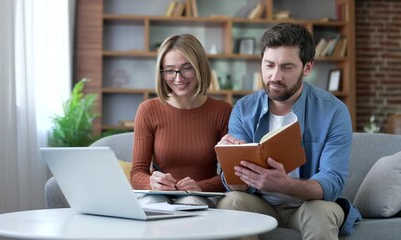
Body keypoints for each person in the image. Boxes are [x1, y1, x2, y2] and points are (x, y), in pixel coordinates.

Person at [216, 23, 361, 239]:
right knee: (231, 202)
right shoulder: (244, 108)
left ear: (307, 68)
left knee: (320, 213)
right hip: (260, 203)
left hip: (310, 205)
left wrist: (285, 185)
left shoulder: (334, 111)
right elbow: (235, 187)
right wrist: (231, 165)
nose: (275, 76)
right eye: (269, 65)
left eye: (287, 67)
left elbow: (331, 183)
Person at [130, 34, 232, 206]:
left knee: (191, 202)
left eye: (187, 68)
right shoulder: (148, 110)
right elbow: (137, 173)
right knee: (152, 204)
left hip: (201, 196)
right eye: (169, 70)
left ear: (199, 67)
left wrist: (200, 186)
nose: (178, 78)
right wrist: (152, 183)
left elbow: (231, 175)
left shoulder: (222, 111)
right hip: (159, 196)